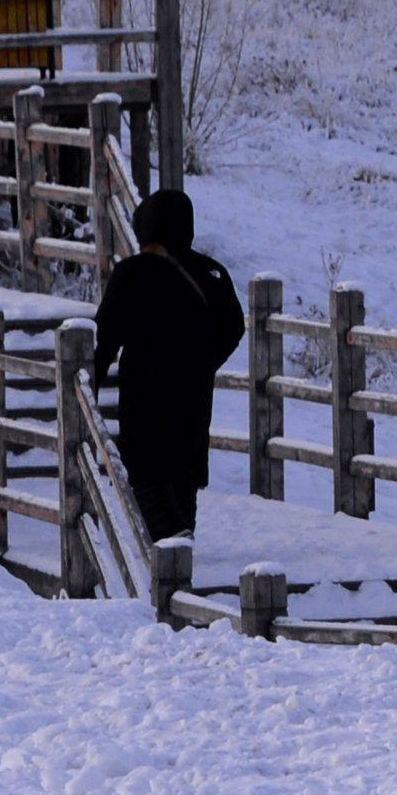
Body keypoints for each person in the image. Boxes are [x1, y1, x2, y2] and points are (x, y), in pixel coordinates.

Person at [87, 187, 245, 540]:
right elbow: (234, 328)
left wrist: (86, 390)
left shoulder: (133, 273)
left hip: (145, 393)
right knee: (183, 478)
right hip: (194, 393)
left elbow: (104, 339)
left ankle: (174, 548)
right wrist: (203, 361)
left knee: (146, 477)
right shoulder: (212, 273)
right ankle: (179, 560)